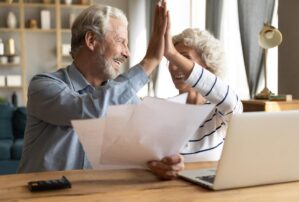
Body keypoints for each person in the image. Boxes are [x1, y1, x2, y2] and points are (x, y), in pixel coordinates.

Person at [18, 2, 183, 180]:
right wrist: (149, 61)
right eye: (121, 42)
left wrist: (167, 161)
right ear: (91, 41)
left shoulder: (126, 98)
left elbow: (149, 145)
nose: (127, 53)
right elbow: (89, 111)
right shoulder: (43, 86)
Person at [148, 15, 242, 172]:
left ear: (207, 66)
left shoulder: (219, 112)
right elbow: (148, 158)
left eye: (182, 59)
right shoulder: (164, 109)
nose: (173, 66)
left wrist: (173, 54)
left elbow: (232, 103)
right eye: (170, 60)